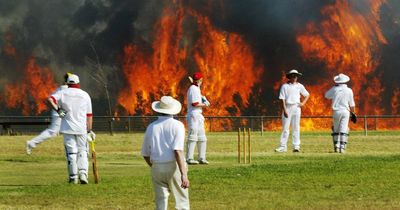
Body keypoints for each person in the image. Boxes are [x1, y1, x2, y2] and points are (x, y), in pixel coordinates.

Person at [141, 96, 190, 210]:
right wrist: (183, 174)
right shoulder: (177, 125)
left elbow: (145, 153)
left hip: (157, 167)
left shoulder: (151, 127)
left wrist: (154, 166)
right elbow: (177, 151)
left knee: (160, 203)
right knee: (181, 201)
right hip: (173, 166)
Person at [48, 74, 95, 184]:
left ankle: (73, 177)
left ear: (68, 83)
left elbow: (50, 99)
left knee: (71, 153)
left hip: (67, 128)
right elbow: (89, 115)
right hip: (81, 128)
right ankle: (83, 174)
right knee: (82, 151)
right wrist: (90, 130)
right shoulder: (85, 95)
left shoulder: (63, 93)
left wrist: (59, 110)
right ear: (78, 83)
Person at [26, 73, 72, 155]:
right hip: (60, 111)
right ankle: (31, 143)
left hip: (60, 111)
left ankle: (32, 143)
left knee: (57, 131)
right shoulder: (65, 89)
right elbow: (51, 99)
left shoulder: (62, 88)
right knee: (55, 131)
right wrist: (59, 111)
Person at [275, 69, 310, 153]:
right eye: (293, 75)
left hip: (297, 107)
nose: (294, 77)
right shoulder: (285, 86)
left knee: (296, 127)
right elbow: (282, 99)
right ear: (289, 77)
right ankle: (283, 146)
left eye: (296, 76)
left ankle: (296, 146)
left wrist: (303, 103)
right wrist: (285, 110)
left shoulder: (300, 86)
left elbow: (307, 95)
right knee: (285, 128)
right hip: (288, 107)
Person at [325, 73, 355, 153]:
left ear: (337, 81)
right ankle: (342, 148)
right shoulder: (349, 90)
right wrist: (353, 113)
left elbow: (326, 96)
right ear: (345, 81)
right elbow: (352, 104)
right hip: (346, 111)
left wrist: (334, 95)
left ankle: (336, 147)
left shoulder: (334, 89)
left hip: (336, 111)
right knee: (344, 129)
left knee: (336, 129)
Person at [186, 72, 210, 165]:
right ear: (200, 80)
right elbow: (194, 104)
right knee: (192, 136)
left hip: (198, 115)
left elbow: (197, 92)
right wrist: (205, 104)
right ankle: (189, 158)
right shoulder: (193, 89)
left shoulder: (195, 88)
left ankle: (202, 157)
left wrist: (203, 98)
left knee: (202, 137)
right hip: (193, 114)